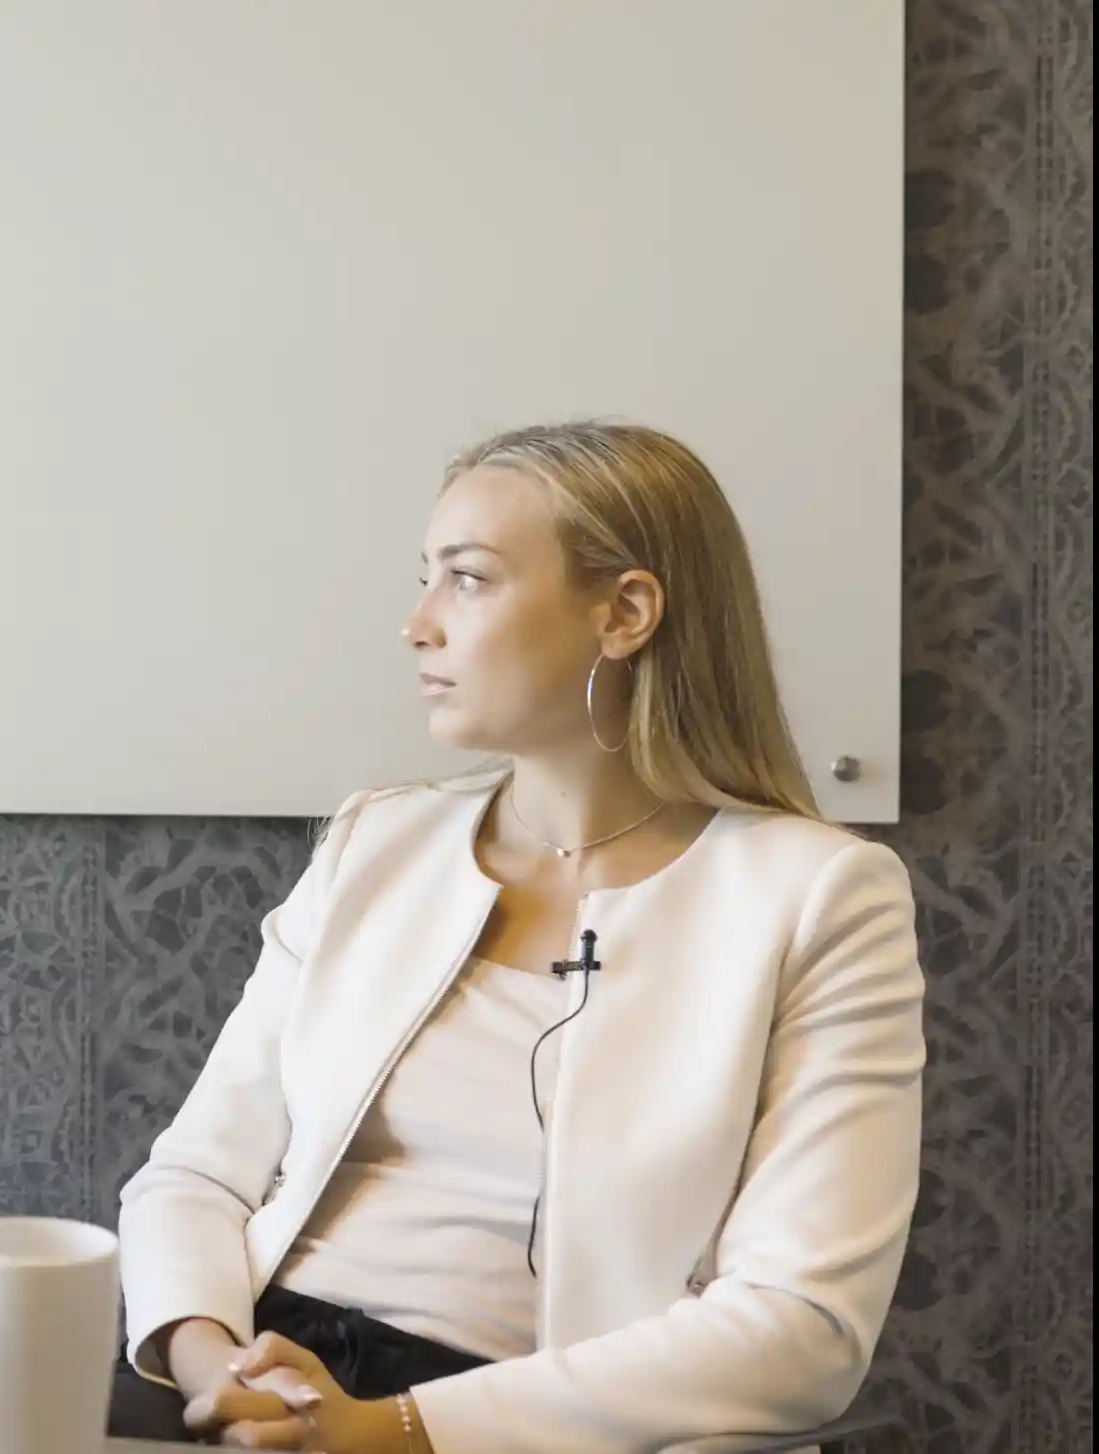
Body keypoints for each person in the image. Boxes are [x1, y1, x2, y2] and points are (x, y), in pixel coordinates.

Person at [113, 421, 926, 1451]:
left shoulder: (818, 897)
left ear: (624, 613)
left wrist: (388, 1430)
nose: (417, 625)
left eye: (468, 579)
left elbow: (800, 1329)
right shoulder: (378, 840)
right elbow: (195, 1173)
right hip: (253, 1372)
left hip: (504, 1419)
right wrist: (219, 1376)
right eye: (426, 578)